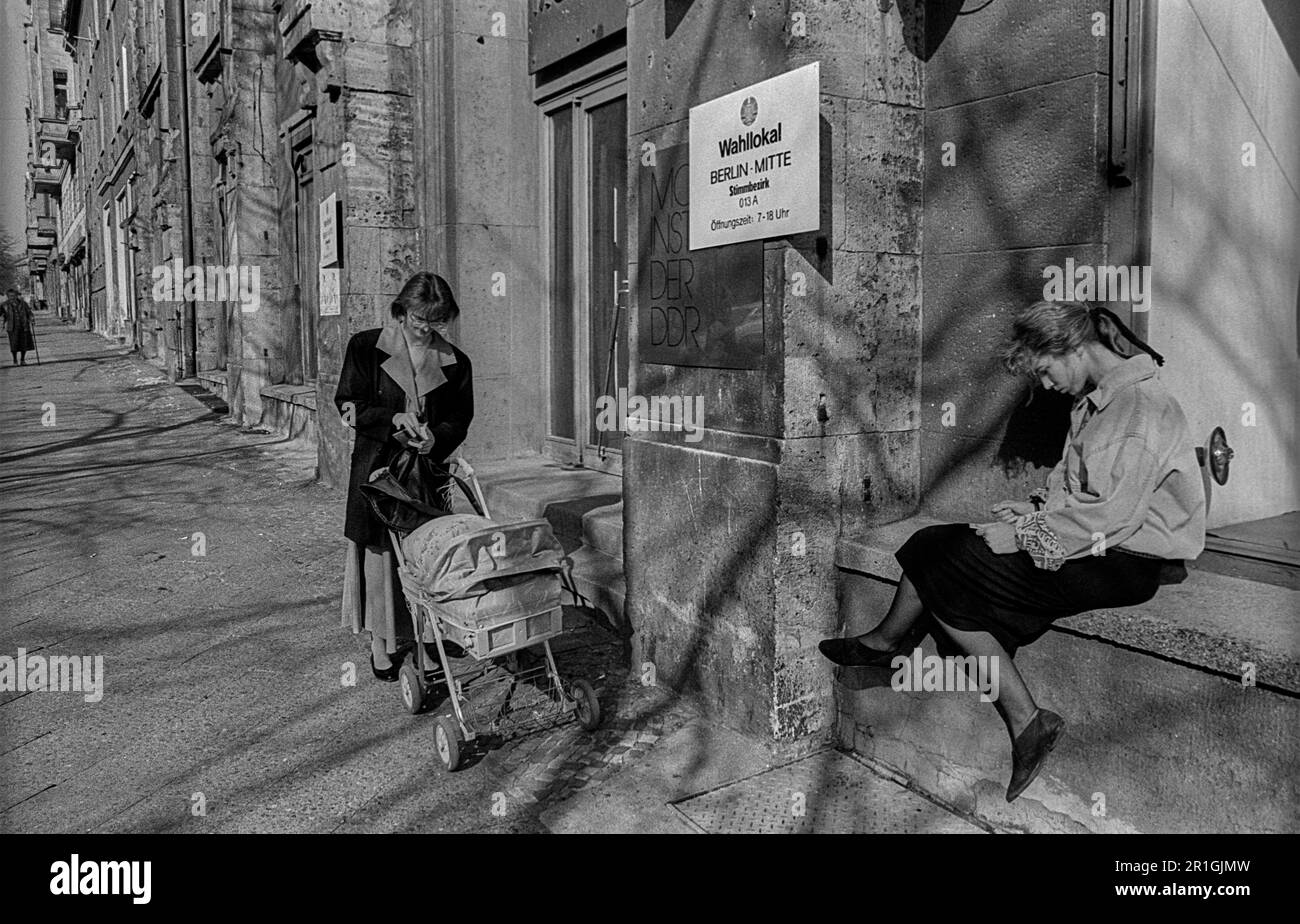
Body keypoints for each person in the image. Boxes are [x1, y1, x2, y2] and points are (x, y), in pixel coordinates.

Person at [819, 300, 1206, 802]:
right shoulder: (1100, 402)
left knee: (942, 557)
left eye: (1044, 371)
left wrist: (1026, 536)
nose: (1045, 386)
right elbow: (1078, 488)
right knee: (938, 549)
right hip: (1096, 545)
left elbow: (1109, 518)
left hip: (1125, 563)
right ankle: (1021, 718)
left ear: (1070, 348)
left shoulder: (1137, 410)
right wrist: (1034, 508)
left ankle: (894, 644)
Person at [334, 272, 474, 681]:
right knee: (380, 559)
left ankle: (425, 640)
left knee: (426, 559)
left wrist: (437, 439)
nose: (427, 328)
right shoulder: (365, 347)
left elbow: (460, 419)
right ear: (401, 311)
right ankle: (381, 644)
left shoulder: (456, 361)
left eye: (437, 320)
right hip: (378, 473)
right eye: (419, 319)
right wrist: (390, 417)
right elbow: (347, 405)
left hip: (425, 475)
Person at [1, 288, 36, 365]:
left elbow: (29, 312)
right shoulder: (4, 305)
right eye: (10, 296)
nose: (12, 297)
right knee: (14, 344)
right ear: (8, 296)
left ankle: (22, 360)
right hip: (12, 327)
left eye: (14, 296)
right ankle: (15, 360)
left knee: (24, 344)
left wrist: (32, 318)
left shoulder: (23, 304)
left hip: (24, 326)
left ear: (16, 295)